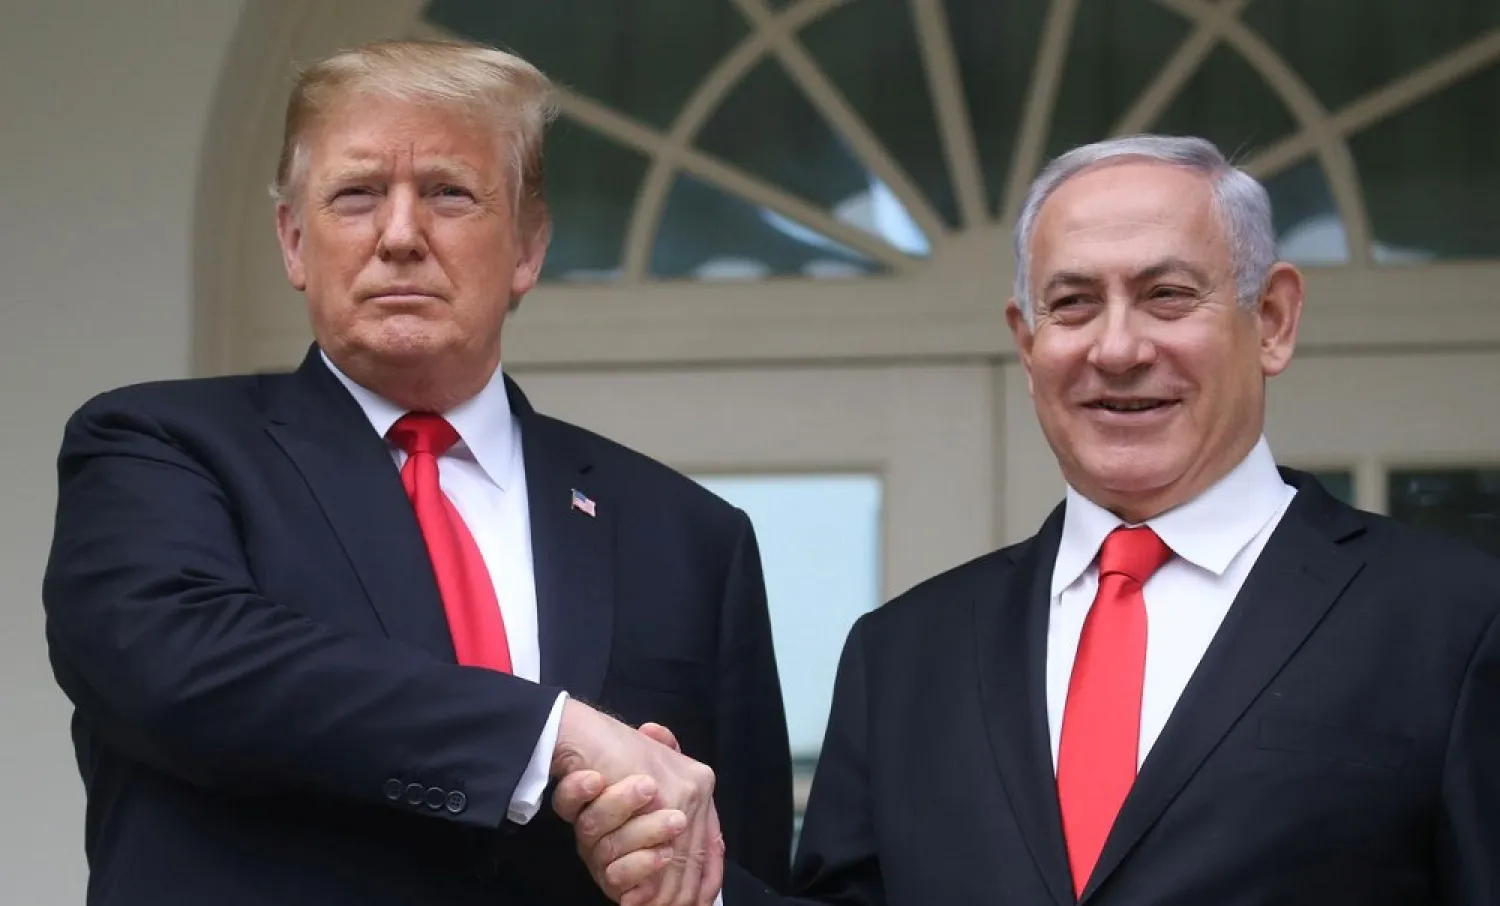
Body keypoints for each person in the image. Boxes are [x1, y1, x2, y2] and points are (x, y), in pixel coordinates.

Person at [555, 134, 1500, 905]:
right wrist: (694, 885)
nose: (1118, 348)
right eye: (1075, 304)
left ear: (1274, 321)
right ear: (1027, 340)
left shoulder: (1455, 624)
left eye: (1168, 296)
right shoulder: (903, 655)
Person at [41, 39, 792, 906]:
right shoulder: (158, 448)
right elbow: (182, 668)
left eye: (449, 193)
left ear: (527, 248)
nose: (400, 236)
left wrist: (676, 870)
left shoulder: (687, 535)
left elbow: (744, 862)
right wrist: (556, 740)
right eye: (357, 195)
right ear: (293, 240)